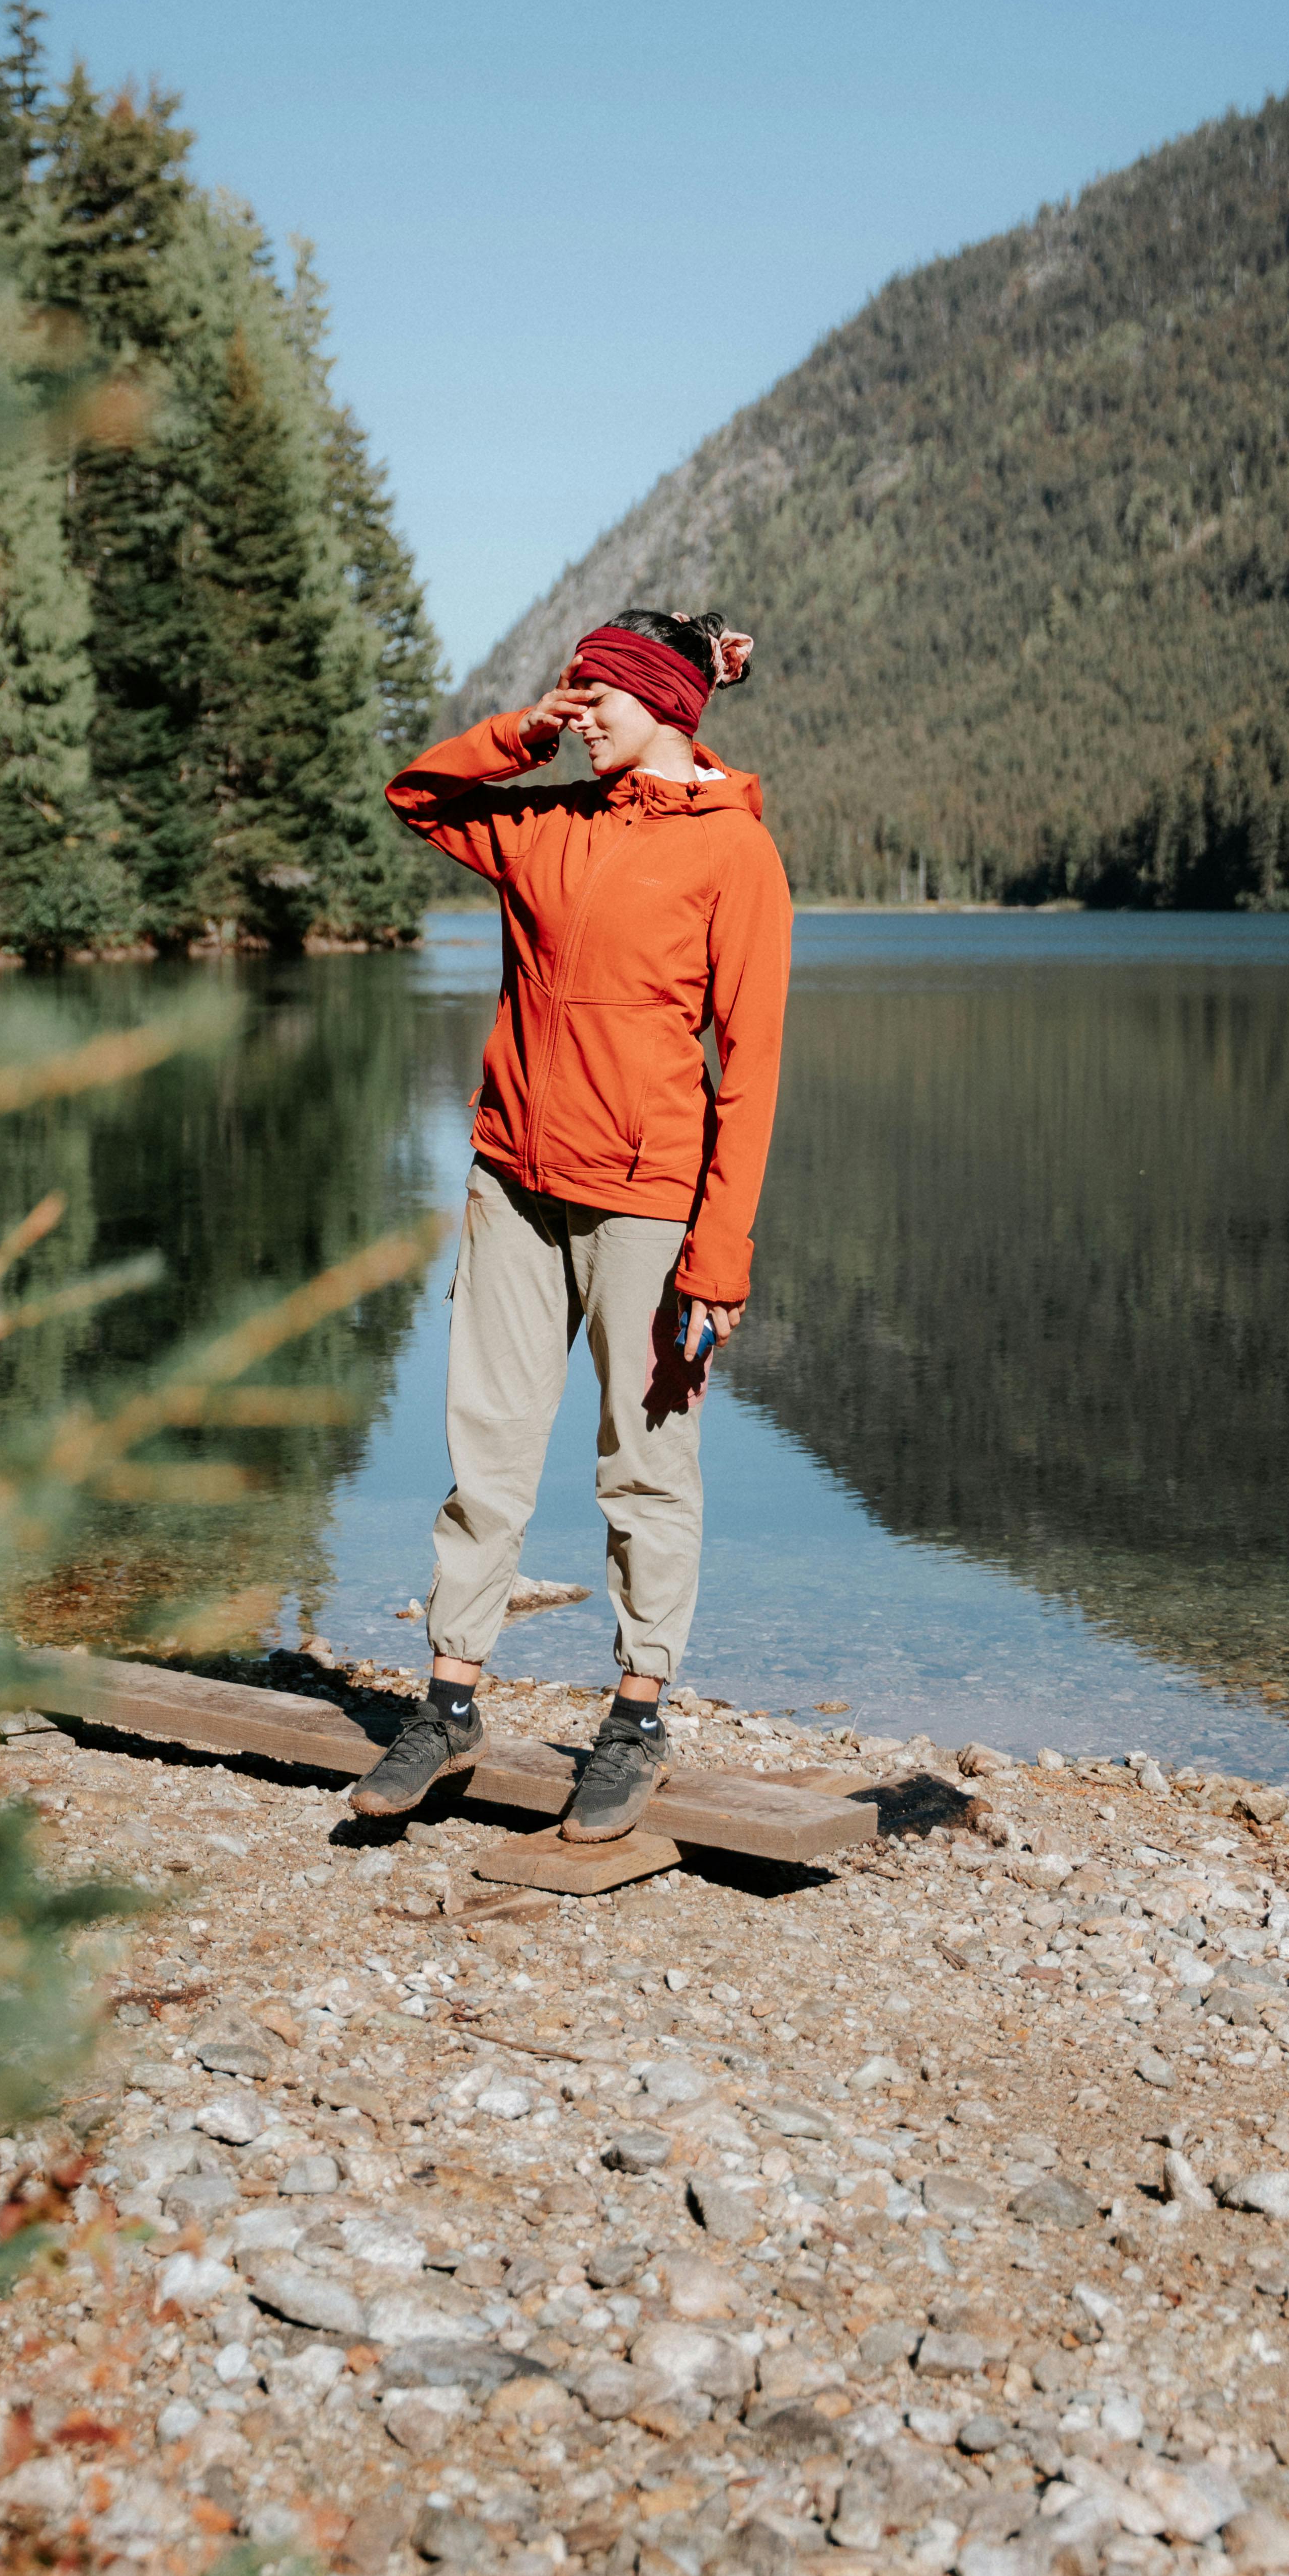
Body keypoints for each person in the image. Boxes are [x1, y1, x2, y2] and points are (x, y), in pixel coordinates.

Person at [349, 607, 792, 1843]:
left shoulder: (733, 855)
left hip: (650, 1202)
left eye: (594, 695)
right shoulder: (545, 823)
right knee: (485, 1447)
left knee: (644, 1467)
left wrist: (721, 1254)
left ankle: (636, 1721)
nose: (577, 713)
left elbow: (750, 1068)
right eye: (570, 696)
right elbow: (416, 794)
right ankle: (447, 1705)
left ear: (662, 700)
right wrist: (521, 734)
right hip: (512, 1182)